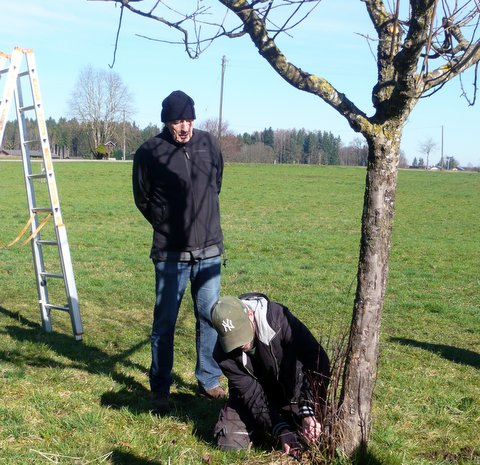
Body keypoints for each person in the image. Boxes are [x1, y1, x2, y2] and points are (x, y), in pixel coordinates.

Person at [132, 90, 226, 414]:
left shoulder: (208, 143)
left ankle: (208, 379)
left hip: (209, 250)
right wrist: (166, 224)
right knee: (165, 323)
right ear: (166, 122)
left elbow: (216, 183)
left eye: (188, 120)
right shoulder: (149, 152)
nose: (184, 127)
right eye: (177, 121)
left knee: (210, 318)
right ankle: (160, 387)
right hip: (171, 254)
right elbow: (142, 198)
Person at [211, 293, 330, 456]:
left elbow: (316, 359)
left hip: (293, 393)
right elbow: (250, 393)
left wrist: (307, 409)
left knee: (325, 432)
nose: (241, 343)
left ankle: (290, 418)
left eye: (242, 333)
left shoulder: (278, 319)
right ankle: (268, 424)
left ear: (250, 314)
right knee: (230, 441)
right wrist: (280, 430)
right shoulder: (222, 353)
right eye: (234, 339)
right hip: (253, 398)